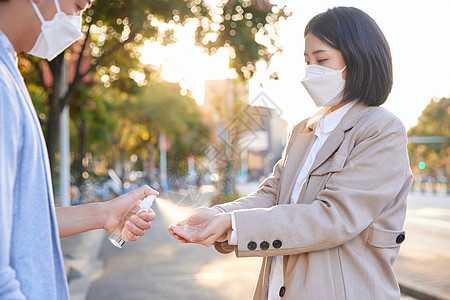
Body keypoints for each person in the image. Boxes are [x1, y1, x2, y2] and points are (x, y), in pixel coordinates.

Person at [170, 6, 413, 300]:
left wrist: (234, 225)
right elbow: (272, 195)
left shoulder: (381, 129)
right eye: (307, 61)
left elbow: (334, 217)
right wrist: (218, 214)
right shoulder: (304, 130)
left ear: (358, 59)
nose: (312, 71)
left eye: (322, 59)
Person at [0, 0, 158, 299]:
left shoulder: (8, 70)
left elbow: (21, 222)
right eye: (78, 6)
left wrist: (105, 213)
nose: (79, 16)